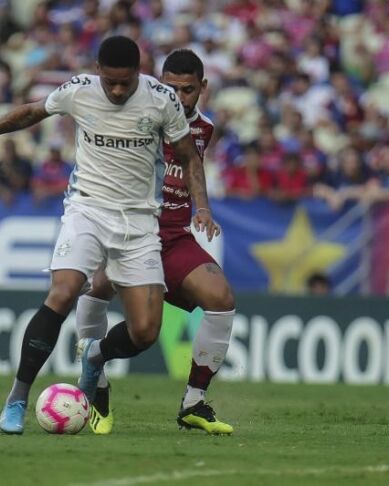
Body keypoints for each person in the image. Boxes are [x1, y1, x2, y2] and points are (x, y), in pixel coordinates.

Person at [0, 36, 216, 435]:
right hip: (87, 209)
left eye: (125, 82)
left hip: (140, 222)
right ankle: (17, 398)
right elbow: (31, 113)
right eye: (111, 82)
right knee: (64, 290)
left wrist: (202, 206)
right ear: (98, 71)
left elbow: (189, 155)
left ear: (138, 73)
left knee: (145, 331)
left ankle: (95, 355)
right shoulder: (80, 90)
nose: (118, 90)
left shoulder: (161, 99)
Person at [75, 49, 234, 436]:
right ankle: (96, 385)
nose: (179, 98)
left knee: (221, 299)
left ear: (203, 88)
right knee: (97, 286)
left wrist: (203, 208)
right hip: (129, 228)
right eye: (171, 88)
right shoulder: (138, 115)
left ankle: (193, 402)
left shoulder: (204, 129)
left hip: (174, 236)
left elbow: (192, 166)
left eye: (189, 90)